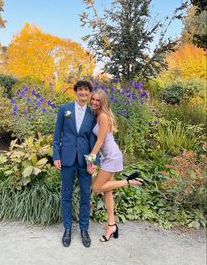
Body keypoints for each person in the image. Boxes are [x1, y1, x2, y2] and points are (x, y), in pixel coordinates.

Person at [85, 88, 144, 242]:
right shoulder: (98, 115)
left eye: (98, 100)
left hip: (111, 156)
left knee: (97, 188)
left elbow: (100, 140)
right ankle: (112, 225)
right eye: (93, 99)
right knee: (108, 191)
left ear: (103, 102)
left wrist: (90, 159)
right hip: (109, 156)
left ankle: (129, 182)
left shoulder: (103, 116)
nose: (94, 102)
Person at [53, 80, 98, 248]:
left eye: (86, 90)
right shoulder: (64, 109)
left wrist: (92, 161)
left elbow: (94, 140)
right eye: (80, 90)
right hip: (67, 159)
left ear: (90, 93)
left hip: (85, 161)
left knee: (86, 196)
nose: (83, 93)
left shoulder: (92, 113)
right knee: (66, 195)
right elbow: (57, 135)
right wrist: (56, 155)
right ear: (76, 91)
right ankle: (67, 229)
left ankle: (84, 230)